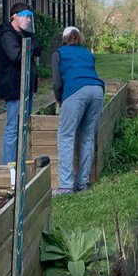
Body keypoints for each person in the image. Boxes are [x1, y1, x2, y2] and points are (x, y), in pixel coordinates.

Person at [52, 26, 106, 194]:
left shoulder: (58, 54)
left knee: (66, 137)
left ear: (64, 38)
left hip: (76, 92)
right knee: (88, 137)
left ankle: (65, 186)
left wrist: (60, 100)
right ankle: (83, 184)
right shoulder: (88, 53)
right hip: (97, 90)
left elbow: (57, 83)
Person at [0, 3, 40, 165]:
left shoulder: (26, 34)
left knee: (24, 125)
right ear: (15, 16)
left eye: (30, 16)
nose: (28, 19)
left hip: (27, 86)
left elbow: (38, 48)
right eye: (25, 16)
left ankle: (19, 161)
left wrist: (30, 45)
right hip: (14, 88)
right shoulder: (7, 35)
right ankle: (9, 167)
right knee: (13, 128)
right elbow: (16, 55)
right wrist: (30, 47)